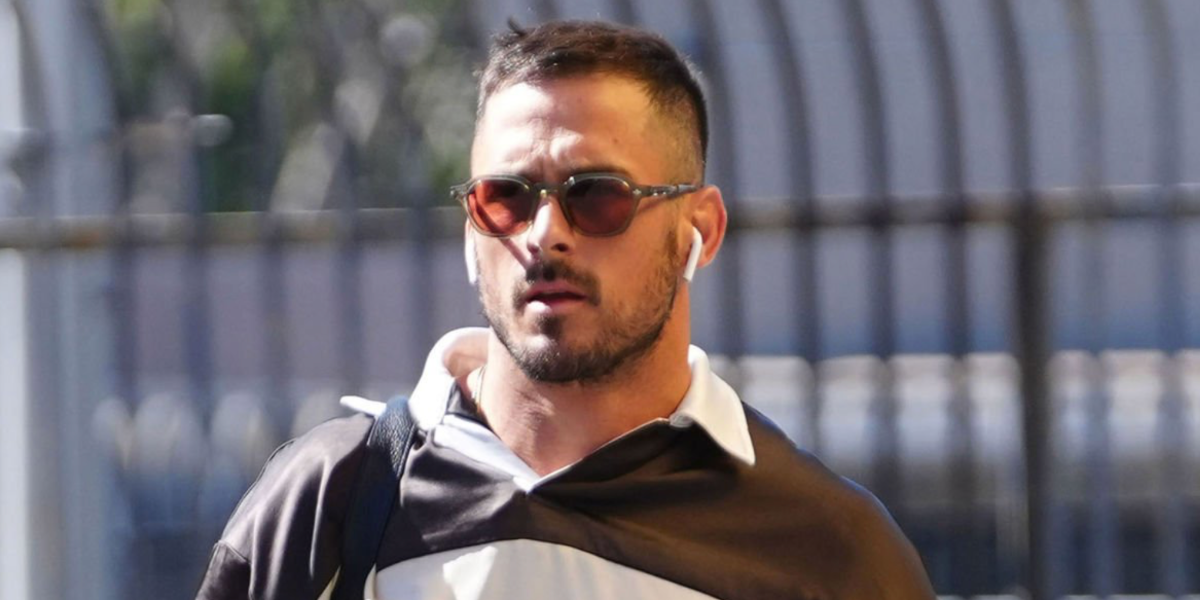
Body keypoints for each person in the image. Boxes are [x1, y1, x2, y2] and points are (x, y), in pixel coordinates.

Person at [196, 19, 935, 600]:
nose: (544, 234)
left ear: (701, 230)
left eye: (598, 196)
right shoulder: (334, 497)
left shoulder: (827, 548)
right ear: (470, 229)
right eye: (505, 198)